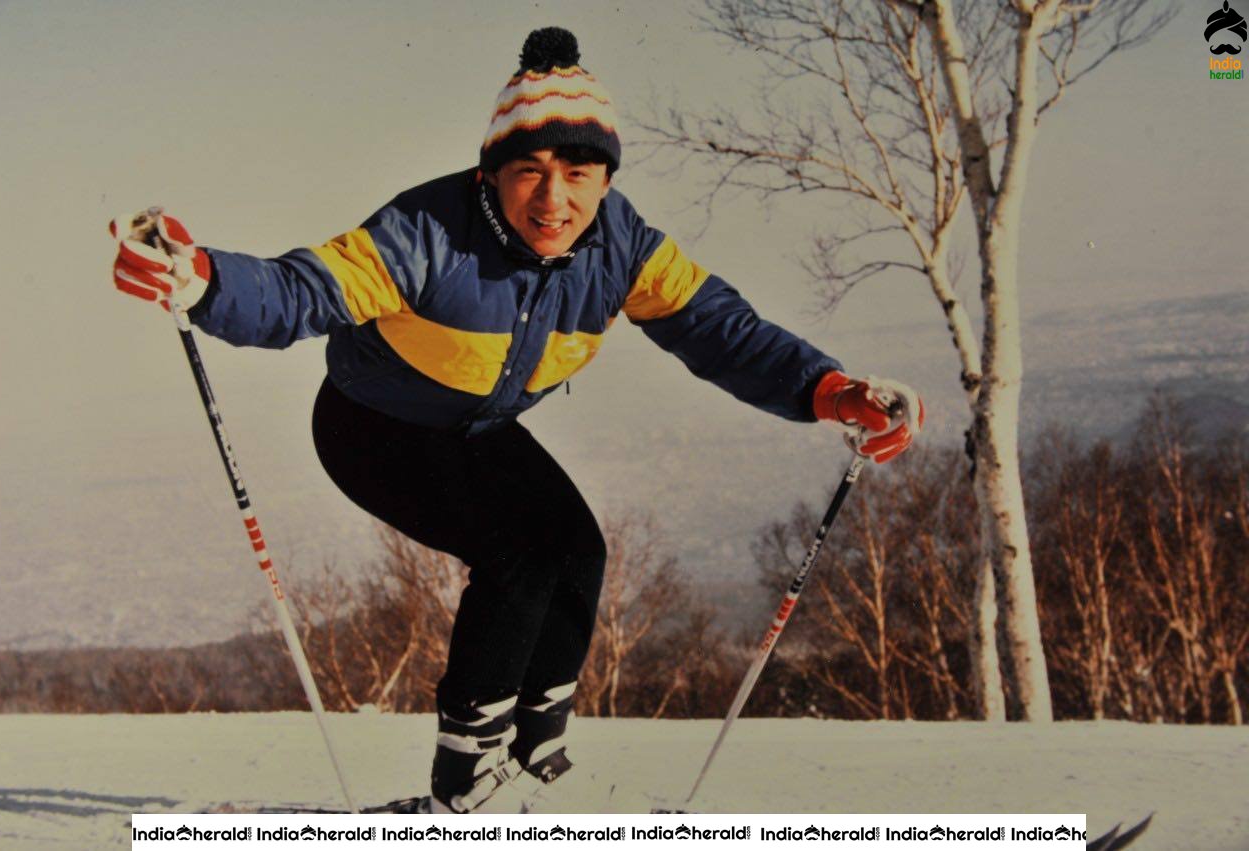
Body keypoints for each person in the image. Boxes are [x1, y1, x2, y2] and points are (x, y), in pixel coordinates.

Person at [109, 27, 924, 813]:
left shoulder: (623, 245)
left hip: (476, 429)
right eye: (528, 170)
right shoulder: (426, 233)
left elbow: (720, 328)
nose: (554, 197)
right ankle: (467, 783)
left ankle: (535, 757)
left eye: (579, 171)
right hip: (372, 424)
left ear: (606, 178)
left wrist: (830, 389)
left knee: (577, 550)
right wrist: (204, 279)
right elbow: (302, 289)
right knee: (521, 554)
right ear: (490, 174)